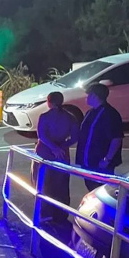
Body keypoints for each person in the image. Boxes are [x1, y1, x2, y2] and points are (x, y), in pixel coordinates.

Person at [33, 91, 79, 224]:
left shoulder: (45, 117)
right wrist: (61, 147)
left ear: (49, 102)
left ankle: (45, 213)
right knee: (62, 185)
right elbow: (75, 137)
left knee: (44, 183)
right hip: (62, 154)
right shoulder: (71, 117)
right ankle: (61, 214)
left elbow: (41, 136)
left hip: (45, 152)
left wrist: (53, 147)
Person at [76, 83, 124, 192]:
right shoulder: (90, 112)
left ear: (95, 96)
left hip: (100, 163)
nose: (86, 97)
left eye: (89, 95)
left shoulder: (110, 114)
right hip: (88, 162)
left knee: (103, 191)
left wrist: (107, 159)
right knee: (91, 189)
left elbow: (116, 138)